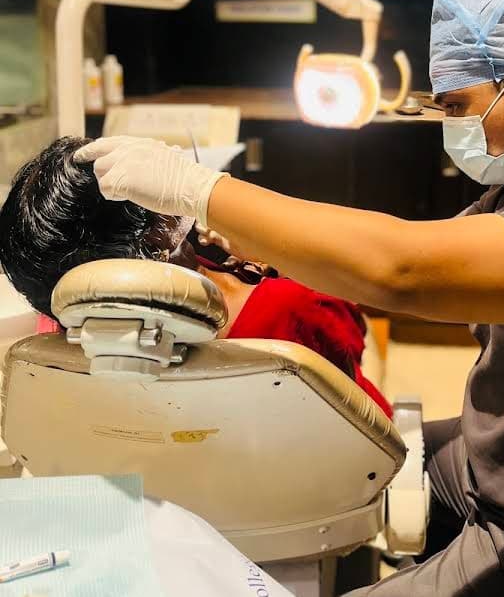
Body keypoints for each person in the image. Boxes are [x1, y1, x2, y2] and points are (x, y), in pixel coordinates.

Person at [75, 0, 504, 597]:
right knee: (334, 464)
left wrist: (198, 190)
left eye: (459, 109)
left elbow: (405, 271)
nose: (453, 132)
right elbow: (384, 259)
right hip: (494, 462)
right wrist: (246, 249)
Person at [0, 136, 391, 418]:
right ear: (159, 229)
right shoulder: (295, 306)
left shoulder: (60, 345)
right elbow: (354, 372)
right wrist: (283, 260)